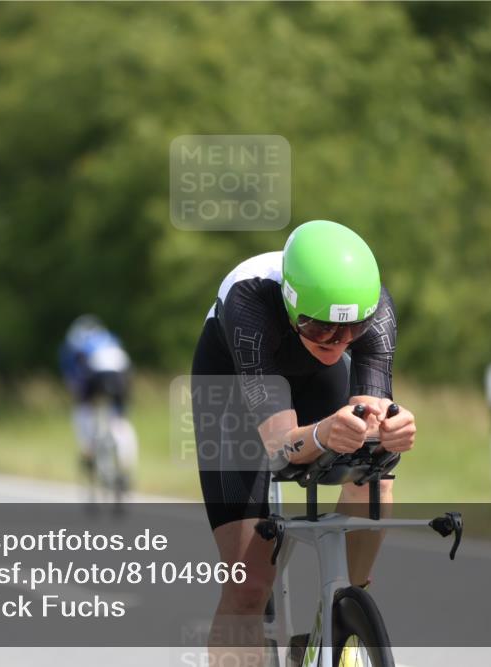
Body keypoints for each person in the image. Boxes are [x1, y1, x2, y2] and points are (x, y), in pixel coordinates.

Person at [191, 220, 417, 657]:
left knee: (376, 468)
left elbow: (370, 421)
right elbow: (279, 449)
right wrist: (321, 432)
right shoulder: (250, 303)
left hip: (315, 382)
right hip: (233, 388)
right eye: (319, 329)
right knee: (249, 586)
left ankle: (342, 617)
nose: (336, 342)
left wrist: (391, 429)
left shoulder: (376, 310)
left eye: (351, 332)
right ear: (292, 305)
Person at [59, 315, 138, 492]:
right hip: (121, 373)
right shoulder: (110, 337)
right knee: (120, 418)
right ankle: (125, 464)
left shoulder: (75, 341)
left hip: (96, 374)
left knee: (84, 409)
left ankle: (88, 448)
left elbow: (74, 377)